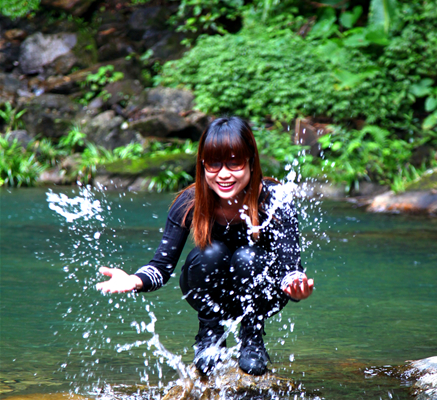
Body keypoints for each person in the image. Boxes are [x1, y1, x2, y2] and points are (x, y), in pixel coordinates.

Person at [97, 116, 314, 376]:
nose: (223, 174)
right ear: (202, 165)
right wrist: (135, 280)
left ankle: (252, 336)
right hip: (209, 290)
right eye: (214, 164)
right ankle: (210, 333)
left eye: (234, 163)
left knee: (247, 257)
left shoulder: (275, 200)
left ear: (251, 162)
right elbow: (161, 267)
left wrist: (295, 287)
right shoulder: (190, 201)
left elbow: (290, 268)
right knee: (210, 253)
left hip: (263, 292)